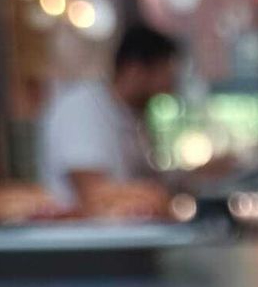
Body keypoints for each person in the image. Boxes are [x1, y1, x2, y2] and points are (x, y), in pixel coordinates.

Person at [39, 23, 180, 217]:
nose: (170, 86)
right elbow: (94, 194)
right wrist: (156, 196)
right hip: (84, 235)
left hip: (125, 231)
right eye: (166, 73)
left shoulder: (132, 115)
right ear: (135, 69)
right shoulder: (82, 109)